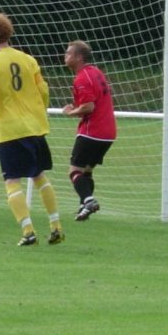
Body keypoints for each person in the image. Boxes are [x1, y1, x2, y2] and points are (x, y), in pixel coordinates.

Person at [0, 13, 64, 246]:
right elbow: (43, 90)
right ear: (9, 33)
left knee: (12, 180)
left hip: (10, 129)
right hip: (35, 126)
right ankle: (56, 226)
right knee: (39, 175)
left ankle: (28, 231)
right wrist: (38, 111)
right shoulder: (28, 59)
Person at [62, 40, 116, 221]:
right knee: (87, 171)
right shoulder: (95, 72)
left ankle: (88, 200)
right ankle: (84, 208)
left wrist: (71, 112)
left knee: (74, 171)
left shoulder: (82, 78)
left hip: (91, 132)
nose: (65, 56)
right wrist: (77, 109)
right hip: (108, 133)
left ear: (78, 57)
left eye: (69, 54)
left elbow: (88, 107)